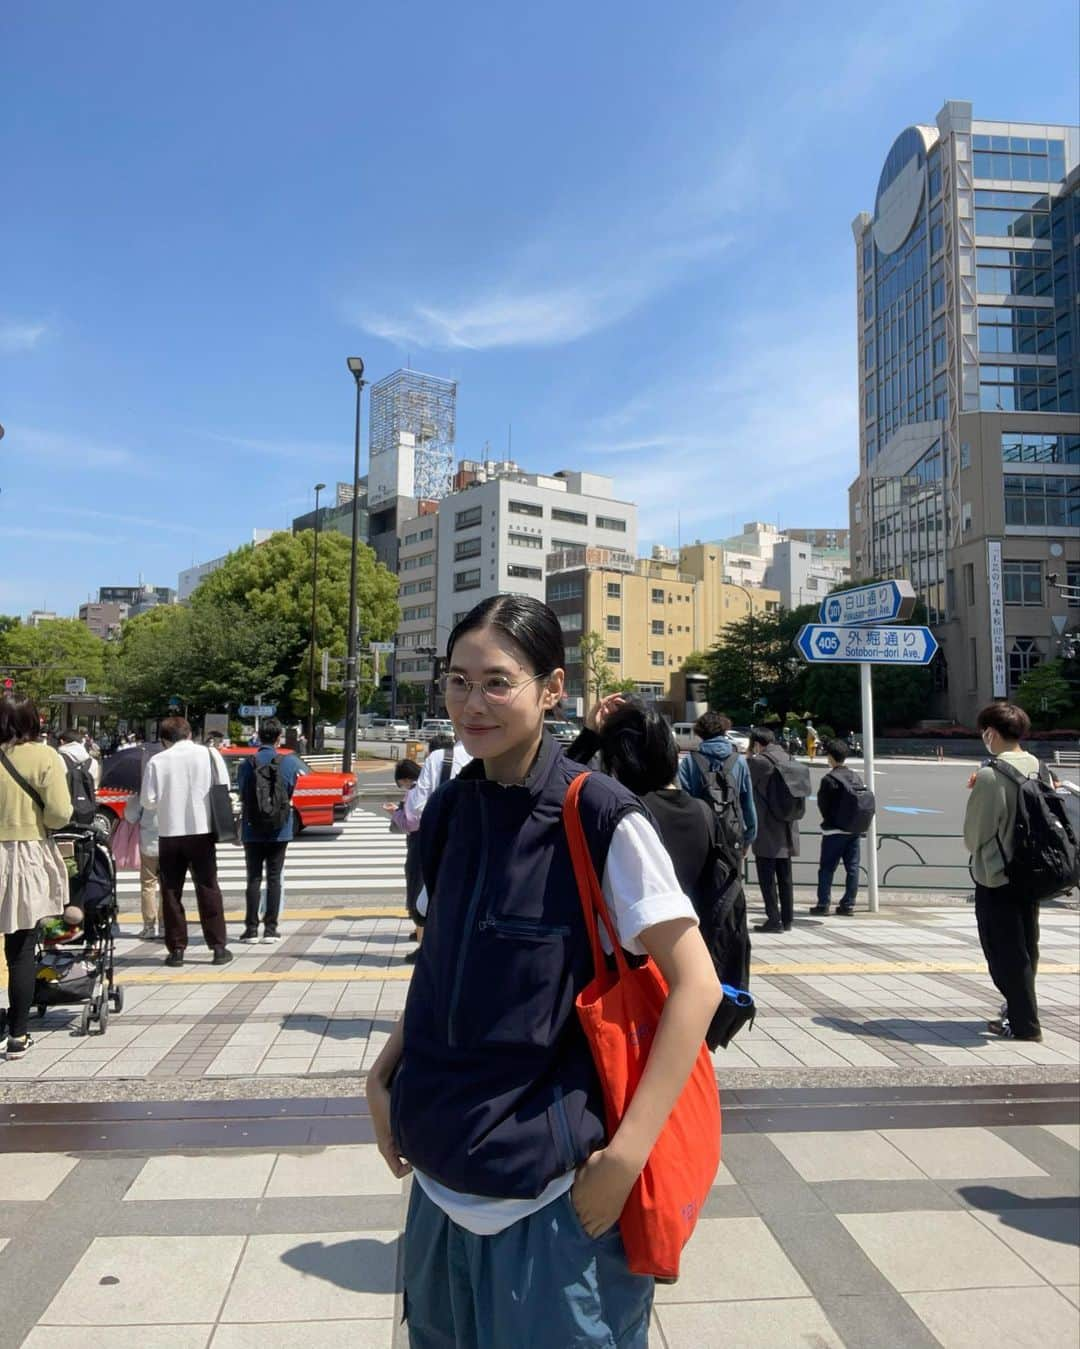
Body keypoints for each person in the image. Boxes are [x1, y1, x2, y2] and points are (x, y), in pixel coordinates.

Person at [366, 595, 720, 1348]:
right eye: (458, 681)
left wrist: (623, 1161)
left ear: (552, 688)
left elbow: (698, 983)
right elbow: (442, 960)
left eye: (498, 681)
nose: (473, 702)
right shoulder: (452, 811)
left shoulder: (598, 814)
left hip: (554, 1199)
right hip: (438, 1184)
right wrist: (383, 1073)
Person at [964, 702, 1044, 1042]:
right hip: (1035, 872)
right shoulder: (1037, 767)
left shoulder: (990, 775)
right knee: (1026, 945)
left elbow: (974, 836)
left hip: (998, 876)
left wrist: (980, 790)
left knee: (1002, 950)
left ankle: (1025, 1024)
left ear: (991, 733)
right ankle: (1017, 1013)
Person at [0, 696, 72, 1061]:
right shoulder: (44, 757)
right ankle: (17, 1034)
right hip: (22, 853)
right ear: (33, 720)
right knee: (20, 949)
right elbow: (60, 813)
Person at [140, 716, 233, 968]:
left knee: (171, 892)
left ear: (164, 739)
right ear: (190, 734)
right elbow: (224, 785)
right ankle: (218, 947)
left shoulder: (157, 761)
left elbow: (148, 800)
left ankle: (177, 950)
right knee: (208, 887)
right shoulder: (209, 755)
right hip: (202, 831)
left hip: (170, 832)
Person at [236, 718, 305, 944]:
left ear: (258, 736)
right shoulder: (289, 762)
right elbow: (292, 789)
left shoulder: (247, 763)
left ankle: (250, 929)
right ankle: (271, 929)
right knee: (274, 878)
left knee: (253, 877)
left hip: (252, 828)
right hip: (279, 829)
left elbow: (243, 793)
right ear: (278, 738)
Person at [676, 710, 757, 847]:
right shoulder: (739, 761)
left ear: (700, 733)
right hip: (732, 835)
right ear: (725, 730)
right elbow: (747, 802)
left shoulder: (689, 761)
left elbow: (683, 801)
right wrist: (748, 837)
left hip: (700, 835)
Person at [747, 728, 800, 932]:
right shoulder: (790, 758)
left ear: (757, 744)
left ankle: (774, 919)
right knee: (785, 876)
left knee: (767, 877)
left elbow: (745, 784)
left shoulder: (759, 762)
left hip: (767, 826)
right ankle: (787, 919)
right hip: (788, 825)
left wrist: (750, 756)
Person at [810, 738, 863, 916]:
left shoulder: (829, 779)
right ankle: (848, 904)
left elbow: (823, 805)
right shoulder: (855, 776)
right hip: (855, 829)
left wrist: (831, 819)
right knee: (853, 868)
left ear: (830, 757)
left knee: (826, 868)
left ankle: (823, 904)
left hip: (834, 830)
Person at [384, 757, 423, 960]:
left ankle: (422, 942)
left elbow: (410, 824)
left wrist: (394, 814)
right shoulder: (428, 787)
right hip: (431, 842)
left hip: (419, 844)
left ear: (407, 779)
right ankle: (421, 935)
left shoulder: (415, 792)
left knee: (417, 891)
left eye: (400, 782)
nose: (401, 786)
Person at [124, 761, 161, 941]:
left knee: (149, 884)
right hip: (171, 841)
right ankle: (165, 925)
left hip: (149, 843)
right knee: (169, 886)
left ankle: (149, 926)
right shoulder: (172, 788)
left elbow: (130, 817)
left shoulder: (142, 793)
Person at [56, 729, 98, 826]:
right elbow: (94, 787)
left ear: (62, 741)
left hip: (64, 811)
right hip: (87, 811)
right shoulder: (92, 762)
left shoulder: (58, 759)